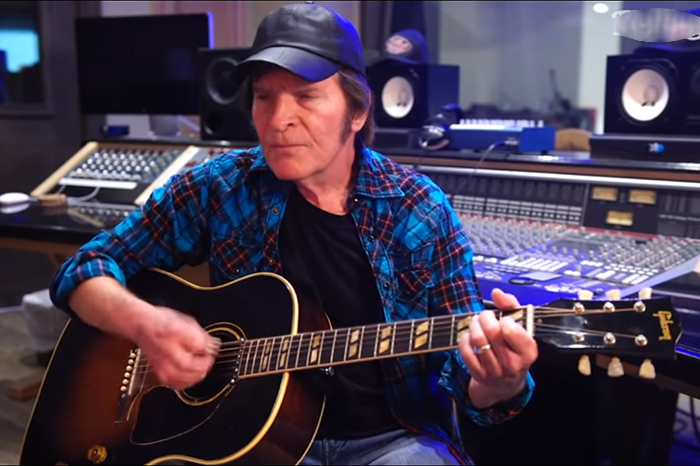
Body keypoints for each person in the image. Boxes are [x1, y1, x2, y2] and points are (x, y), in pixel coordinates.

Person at [49, 2, 538, 465]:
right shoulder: (220, 187)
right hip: (242, 439)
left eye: (306, 96)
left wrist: (498, 384)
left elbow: (466, 376)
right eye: (264, 96)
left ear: (357, 112)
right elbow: (82, 271)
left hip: (391, 441)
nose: (278, 120)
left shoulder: (419, 209)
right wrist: (147, 326)